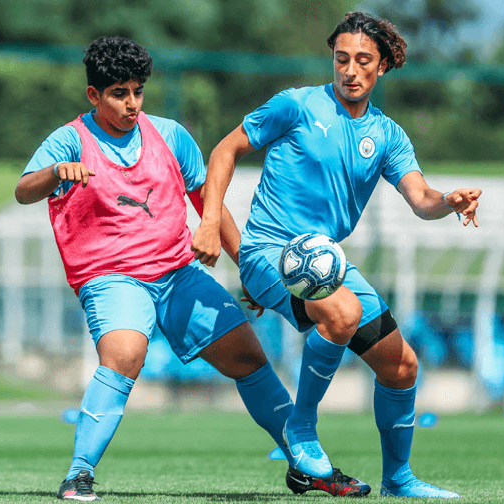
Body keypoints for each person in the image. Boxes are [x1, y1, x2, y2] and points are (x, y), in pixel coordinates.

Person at [15, 36, 370, 501]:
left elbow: (209, 204)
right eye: (119, 94)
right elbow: (24, 190)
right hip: (111, 277)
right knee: (124, 355)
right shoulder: (70, 140)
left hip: (177, 273)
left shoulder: (169, 135)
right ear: (93, 95)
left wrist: (247, 268)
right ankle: (79, 475)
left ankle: (306, 465)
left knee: (248, 357)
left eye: (138, 91)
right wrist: (56, 172)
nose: (132, 103)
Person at [192, 11, 481, 499]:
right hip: (267, 252)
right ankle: (301, 427)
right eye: (341, 58)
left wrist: (448, 202)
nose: (350, 70)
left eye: (363, 61)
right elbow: (224, 151)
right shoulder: (295, 105)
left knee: (402, 367)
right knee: (342, 312)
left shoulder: (387, 135)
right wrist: (209, 223)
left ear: (382, 67)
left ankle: (399, 479)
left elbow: (421, 199)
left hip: (323, 263)